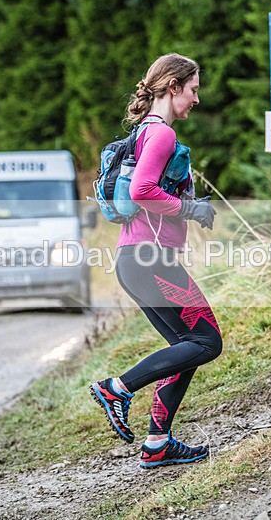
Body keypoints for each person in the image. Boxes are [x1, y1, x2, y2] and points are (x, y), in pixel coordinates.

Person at [89, 53, 222, 469]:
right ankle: (118, 387)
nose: (196, 99)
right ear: (172, 86)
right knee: (206, 341)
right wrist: (190, 211)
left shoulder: (144, 133)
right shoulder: (161, 134)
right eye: (194, 89)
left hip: (135, 258)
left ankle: (158, 443)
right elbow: (145, 190)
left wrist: (187, 205)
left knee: (185, 347)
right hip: (151, 259)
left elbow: (145, 191)